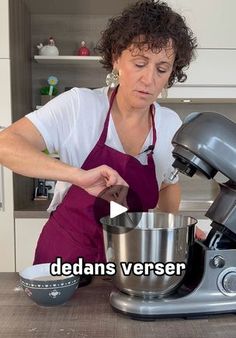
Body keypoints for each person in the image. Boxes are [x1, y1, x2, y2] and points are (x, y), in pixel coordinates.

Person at [0, 0, 198, 267]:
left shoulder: (169, 124)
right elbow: (6, 144)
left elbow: (168, 186)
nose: (149, 79)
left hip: (131, 258)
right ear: (116, 58)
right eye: (140, 63)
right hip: (67, 255)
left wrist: (173, 231)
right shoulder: (79, 105)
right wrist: (78, 176)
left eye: (161, 69)